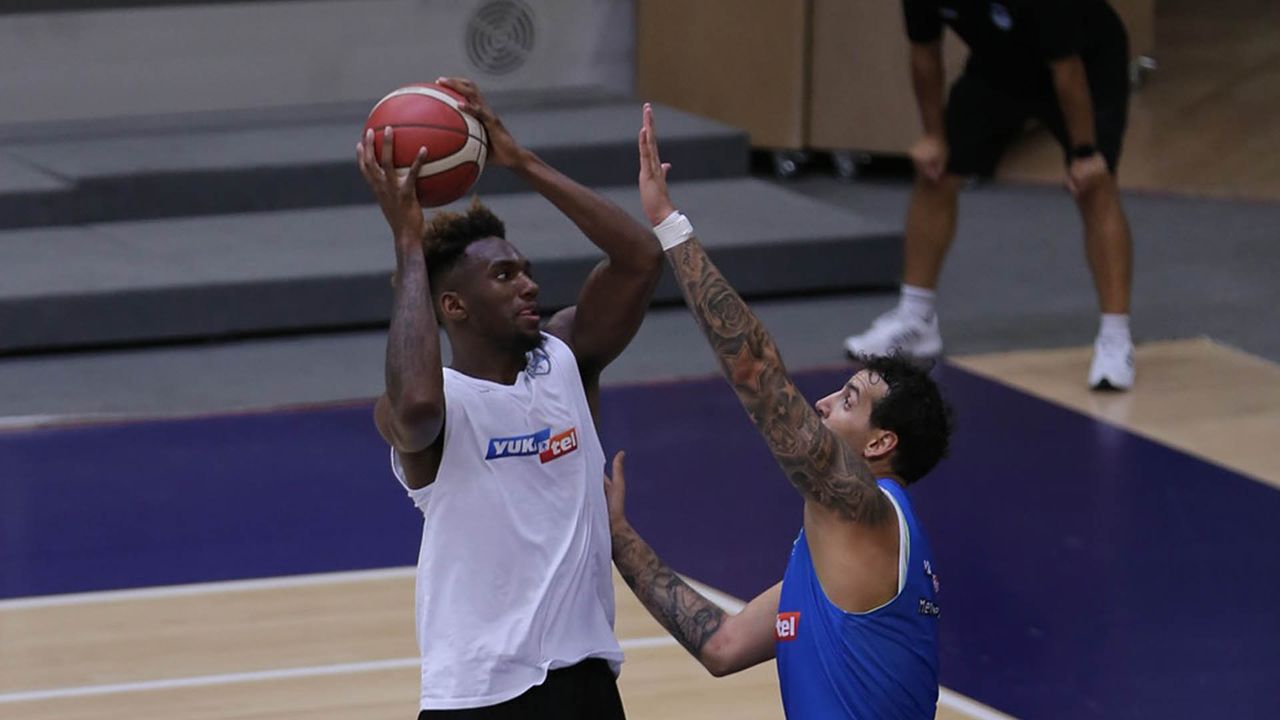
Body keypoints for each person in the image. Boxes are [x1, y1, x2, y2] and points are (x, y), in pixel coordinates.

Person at [606, 104, 955, 718]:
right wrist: (619, 537)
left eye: (849, 400)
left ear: (880, 443)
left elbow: (757, 374)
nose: (823, 403)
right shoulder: (834, 551)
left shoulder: (861, 511)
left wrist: (668, 225)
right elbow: (721, 645)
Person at [357, 77, 663, 718]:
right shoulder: (431, 402)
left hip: (584, 680)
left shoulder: (565, 358)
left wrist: (520, 161)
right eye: (504, 275)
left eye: (525, 270)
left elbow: (639, 258)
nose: (528, 285)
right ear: (453, 306)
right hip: (479, 694)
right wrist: (408, 243)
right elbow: (415, 412)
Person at [843, 0, 1137, 391]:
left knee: (1095, 187)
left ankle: (1116, 340)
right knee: (937, 173)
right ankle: (916, 320)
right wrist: (933, 135)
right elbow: (924, 53)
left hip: (1085, 63)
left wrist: (1084, 154)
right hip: (1000, 66)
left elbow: (1067, 71)